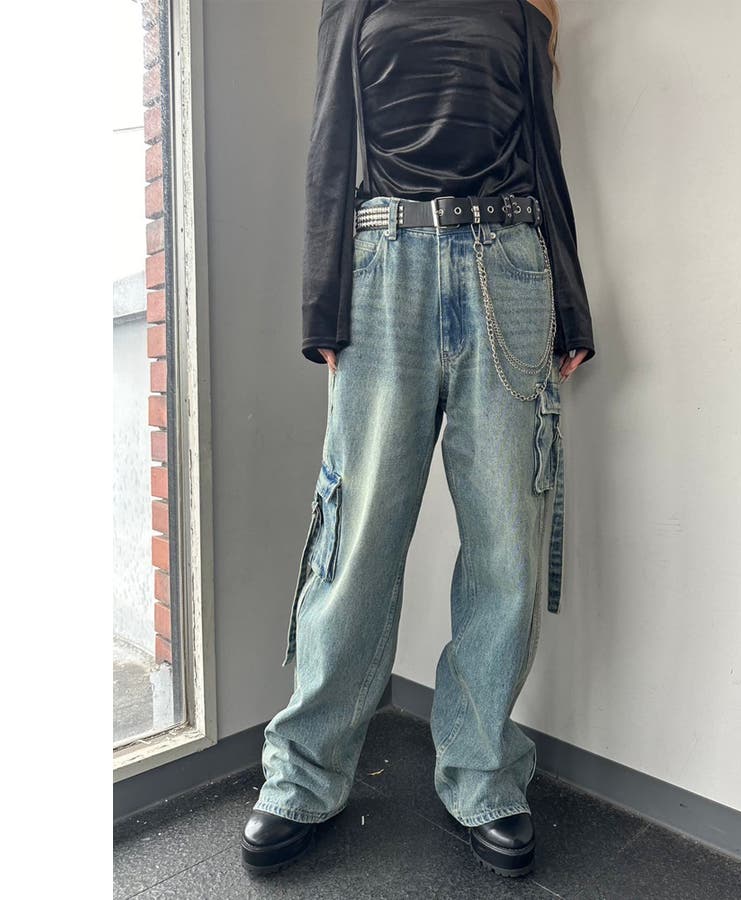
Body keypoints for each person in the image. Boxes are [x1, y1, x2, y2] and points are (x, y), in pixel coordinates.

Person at [241, 0, 595, 879]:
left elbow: (545, 158)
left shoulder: (522, 11)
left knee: (506, 542)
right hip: (383, 268)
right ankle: (303, 775)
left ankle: (484, 775)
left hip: (510, 269)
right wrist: (322, 305)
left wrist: (572, 302)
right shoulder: (357, 6)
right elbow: (330, 149)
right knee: (357, 537)